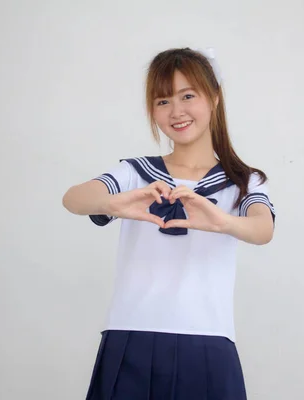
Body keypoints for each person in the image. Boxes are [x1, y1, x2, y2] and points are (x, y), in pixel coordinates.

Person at [62, 47, 275, 400]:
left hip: (207, 338)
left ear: (215, 97)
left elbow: (262, 229)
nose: (176, 111)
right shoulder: (136, 174)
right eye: (162, 101)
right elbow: (73, 198)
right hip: (130, 334)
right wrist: (113, 203)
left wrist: (220, 221)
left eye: (187, 96)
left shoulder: (243, 181)